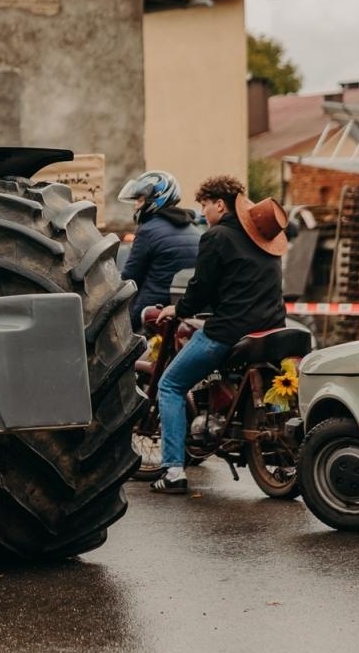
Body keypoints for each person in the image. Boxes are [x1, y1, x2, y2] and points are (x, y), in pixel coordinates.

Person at [149, 175, 288, 494]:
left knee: (170, 384)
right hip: (271, 328)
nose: (202, 211)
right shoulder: (265, 243)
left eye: (205, 205)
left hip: (229, 330)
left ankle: (172, 471)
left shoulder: (217, 237)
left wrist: (179, 309)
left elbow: (201, 288)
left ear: (220, 204)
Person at [117, 170, 200, 332]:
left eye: (140, 200)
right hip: (185, 307)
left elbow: (131, 278)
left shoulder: (148, 230)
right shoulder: (193, 228)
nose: (136, 205)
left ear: (156, 200)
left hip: (151, 308)